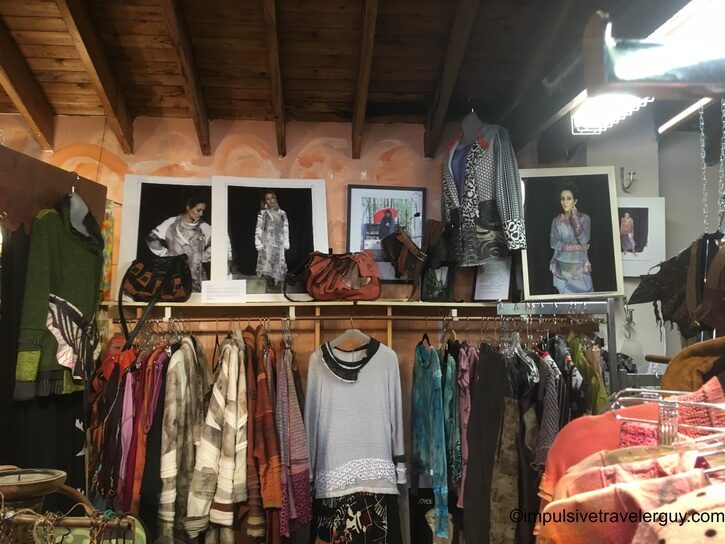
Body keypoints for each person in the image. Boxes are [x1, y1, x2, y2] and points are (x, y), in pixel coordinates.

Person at [146, 193, 211, 292]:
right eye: (198, 210)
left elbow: (219, 245)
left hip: (196, 280)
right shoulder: (171, 223)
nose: (201, 214)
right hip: (173, 276)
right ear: (188, 207)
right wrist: (165, 254)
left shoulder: (204, 227)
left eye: (203, 211)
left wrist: (204, 257)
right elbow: (150, 239)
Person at [549, 184, 593, 294]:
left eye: (569, 198)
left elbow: (584, 240)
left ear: (575, 201)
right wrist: (580, 248)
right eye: (562, 199)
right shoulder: (556, 221)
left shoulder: (585, 218)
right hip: (562, 266)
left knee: (584, 299)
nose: (565, 202)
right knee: (565, 299)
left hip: (580, 266)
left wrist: (575, 219)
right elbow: (554, 243)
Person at [255, 190, 289, 288]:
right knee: (267, 262)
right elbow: (259, 228)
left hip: (279, 242)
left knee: (278, 262)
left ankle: (277, 280)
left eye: (272, 198)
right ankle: (269, 280)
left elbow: (286, 228)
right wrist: (258, 242)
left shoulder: (282, 213)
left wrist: (286, 242)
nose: (271, 201)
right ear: (265, 201)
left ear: (275, 199)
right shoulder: (263, 213)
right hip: (267, 242)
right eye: (268, 199)